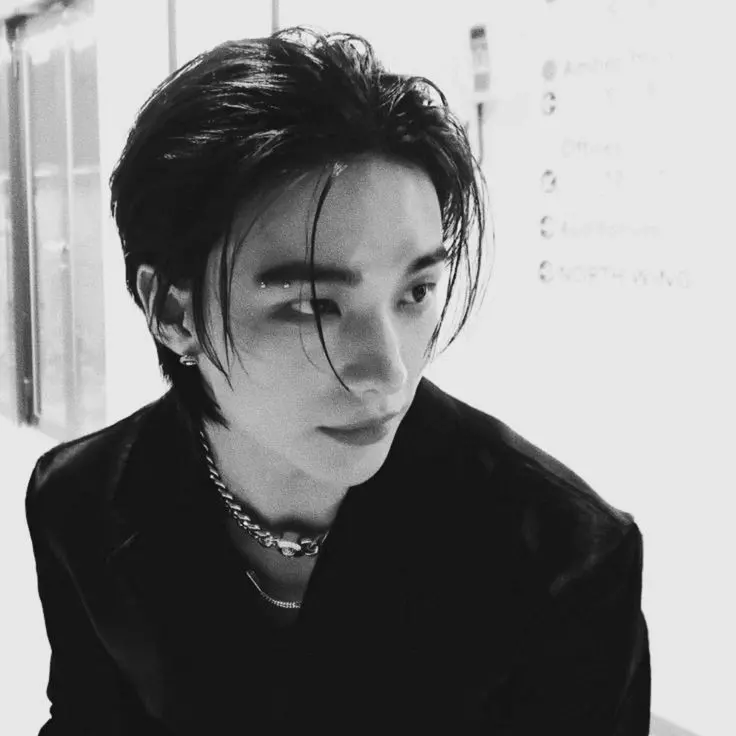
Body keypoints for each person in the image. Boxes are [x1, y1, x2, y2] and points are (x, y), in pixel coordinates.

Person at [25, 27, 650, 735]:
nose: (388, 373)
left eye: (415, 292)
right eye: (313, 305)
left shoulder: (564, 561)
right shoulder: (80, 503)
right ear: (173, 311)